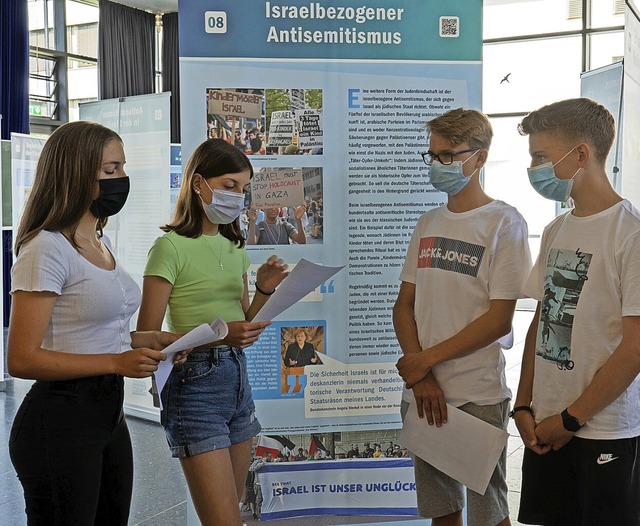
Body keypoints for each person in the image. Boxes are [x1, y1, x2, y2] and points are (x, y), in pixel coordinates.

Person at [7, 121, 178, 525]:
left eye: (121, 167)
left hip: (108, 416)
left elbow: (98, 331)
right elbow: (22, 359)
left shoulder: (99, 240)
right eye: (109, 170)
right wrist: (117, 363)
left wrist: (150, 341)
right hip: (60, 422)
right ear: (74, 172)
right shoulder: (45, 248)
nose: (122, 179)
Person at [136, 138, 289, 526]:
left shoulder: (234, 245)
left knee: (233, 514)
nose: (237, 196)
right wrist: (223, 336)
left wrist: (266, 288)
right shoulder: (168, 248)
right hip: (193, 385)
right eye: (228, 185)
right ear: (199, 183)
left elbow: (243, 320)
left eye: (243, 188)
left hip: (236, 380)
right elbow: (145, 336)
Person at [394, 108, 532, 526]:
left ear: (480, 157)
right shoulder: (428, 222)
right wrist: (421, 377)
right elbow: (404, 306)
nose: (439, 165)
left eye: (449, 156)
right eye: (433, 156)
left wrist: (424, 362)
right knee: (442, 513)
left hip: (477, 392)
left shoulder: (503, 223)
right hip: (423, 393)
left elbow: (498, 320)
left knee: (489, 515)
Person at [513, 98, 640, 526]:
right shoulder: (556, 229)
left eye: (541, 156)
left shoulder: (631, 234)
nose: (534, 168)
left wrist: (571, 419)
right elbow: (540, 320)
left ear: (581, 154)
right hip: (546, 424)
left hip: (602, 430)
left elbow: (635, 349)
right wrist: (524, 405)